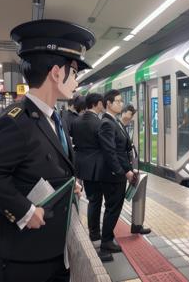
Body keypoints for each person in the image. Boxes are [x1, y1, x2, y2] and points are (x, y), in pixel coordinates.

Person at [0, 19, 95, 282]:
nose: (77, 80)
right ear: (55, 73)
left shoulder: (54, 117)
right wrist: (25, 212)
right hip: (24, 256)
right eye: (74, 72)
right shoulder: (17, 121)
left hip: (53, 246)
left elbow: (41, 165)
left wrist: (68, 184)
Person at [70, 93, 112, 260]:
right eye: (102, 103)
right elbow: (104, 146)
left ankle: (94, 231)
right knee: (96, 199)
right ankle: (94, 232)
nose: (103, 106)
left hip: (81, 165)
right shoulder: (99, 123)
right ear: (97, 104)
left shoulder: (76, 121)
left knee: (92, 198)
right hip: (97, 166)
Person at [98, 89, 137, 256]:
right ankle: (106, 242)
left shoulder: (115, 121)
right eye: (118, 101)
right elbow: (111, 152)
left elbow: (121, 148)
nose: (121, 103)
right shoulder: (107, 123)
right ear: (109, 103)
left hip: (116, 173)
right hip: (113, 176)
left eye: (121, 101)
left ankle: (108, 235)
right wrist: (123, 172)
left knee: (113, 207)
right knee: (113, 208)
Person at [118, 104, 150, 235]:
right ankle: (107, 238)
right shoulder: (116, 125)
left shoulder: (123, 126)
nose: (131, 118)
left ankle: (136, 225)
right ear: (124, 112)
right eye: (130, 114)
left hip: (127, 167)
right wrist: (127, 171)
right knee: (114, 206)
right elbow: (117, 152)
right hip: (121, 170)